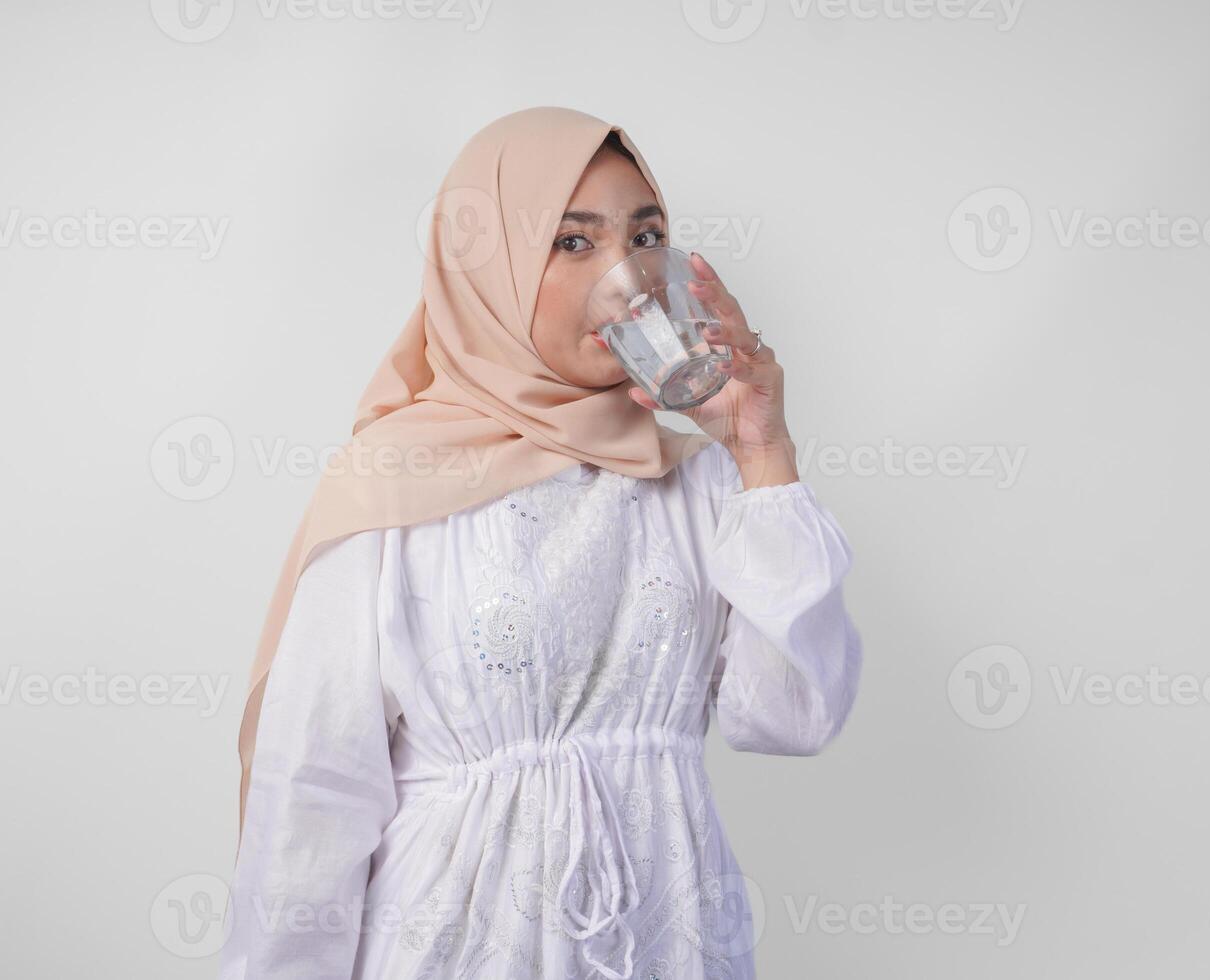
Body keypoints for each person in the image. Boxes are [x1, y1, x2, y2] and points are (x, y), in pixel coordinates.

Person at [219, 106, 863, 979]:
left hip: (667, 944)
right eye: (573, 242)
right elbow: (313, 798)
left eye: (648, 236)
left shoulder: (699, 481)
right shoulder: (394, 484)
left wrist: (762, 453)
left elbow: (792, 716)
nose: (632, 279)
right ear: (488, 268)